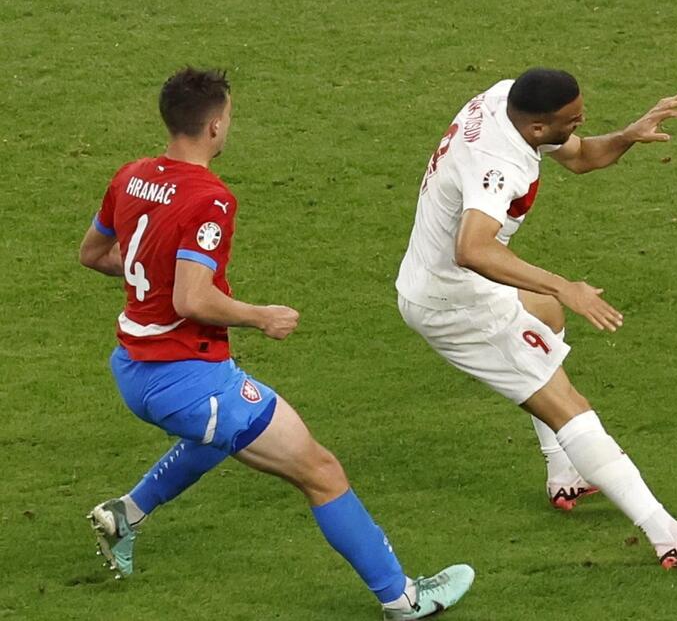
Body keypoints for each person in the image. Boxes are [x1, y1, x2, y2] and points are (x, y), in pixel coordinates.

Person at [78, 67, 473, 619]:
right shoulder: (209, 199)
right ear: (214, 126)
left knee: (219, 437)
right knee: (322, 471)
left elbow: (93, 253)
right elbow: (193, 300)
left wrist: (155, 273)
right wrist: (258, 316)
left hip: (133, 368)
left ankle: (127, 513)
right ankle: (403, 598)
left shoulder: (130, 176)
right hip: (188, 378)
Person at [396, 68, 677, 567]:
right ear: (539, 128)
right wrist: (568, 284)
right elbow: (472, 249)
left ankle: (565, 473)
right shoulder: (498, 165)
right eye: (573, 118)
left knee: (544, 309)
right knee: (570, 405)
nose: (582, 121)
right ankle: (669, 535)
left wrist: (627, 136)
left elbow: (583, 157)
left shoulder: (505, 100)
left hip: (433, 280)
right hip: (458, 303)